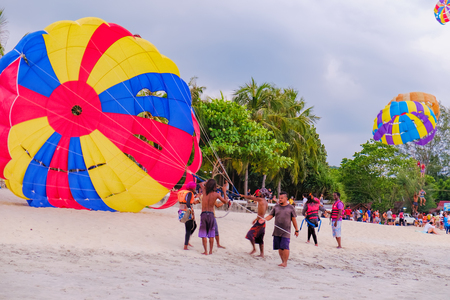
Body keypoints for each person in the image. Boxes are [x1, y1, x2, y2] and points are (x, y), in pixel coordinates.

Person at [263, 191, 299, 267]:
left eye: (282, 198)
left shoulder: (290, 208)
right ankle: (282, 261)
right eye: (279, 198)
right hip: (277, 230)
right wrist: (263, 219)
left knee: (285, 246)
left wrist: (296, 230)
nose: (280, 200)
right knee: (279, 247)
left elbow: (294, 219)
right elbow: (270, 216)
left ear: (286, 198)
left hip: (286, 231)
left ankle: (285, 262)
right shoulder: (276, 207)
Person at [198, 179, 229, 255]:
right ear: (214, 186)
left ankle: (205, 251)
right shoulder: (216, 194)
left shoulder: (204, 191)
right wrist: (224, 191)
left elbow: (200, 183)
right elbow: (225, 201)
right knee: (211, 234)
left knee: (203, 234)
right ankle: (210, 251)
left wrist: (206, 181)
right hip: (211, 214)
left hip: (204, 214)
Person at [241, 188, 269, 257]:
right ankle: (262, 254)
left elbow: (251, 197)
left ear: (262, 194)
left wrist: (242, 195)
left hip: (260, 222)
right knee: (260, 237)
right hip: (262, 221)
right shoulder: (266, 202)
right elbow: (262, 213)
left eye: (259, 192)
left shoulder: (260, 199)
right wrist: (256, 218)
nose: (258, 193)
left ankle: (254, 249)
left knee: (250, 234)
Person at [178, 182, 200, 250]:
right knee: (189, 228)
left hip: (181, 210)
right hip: (187, 212)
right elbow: (188, 203)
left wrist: (194, 201)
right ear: (192, 188)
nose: (195, 188)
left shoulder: (185, 192)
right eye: (194, 187)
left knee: (192, 226)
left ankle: (187, 241)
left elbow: (187, 201)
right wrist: (191, 211)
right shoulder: (190, 193)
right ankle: (185, 245)